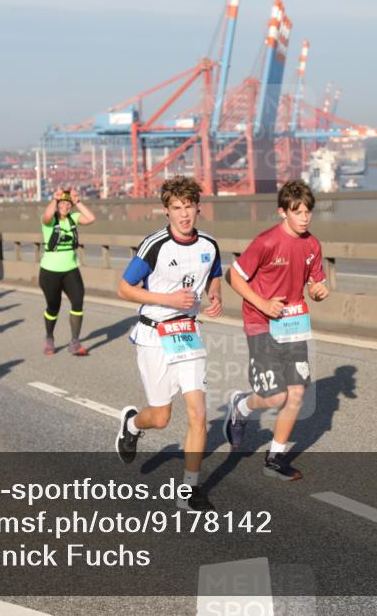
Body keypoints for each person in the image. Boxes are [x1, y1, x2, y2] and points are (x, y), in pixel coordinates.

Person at [115, 178, 223, 511]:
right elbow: (124, 288)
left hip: (187, 332)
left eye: (189, 207)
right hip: (154, 334)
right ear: (166, 211)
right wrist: (168, 299)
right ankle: (132, 425)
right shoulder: (155, 245)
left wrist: (215, 295)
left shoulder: (209, 244)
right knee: (160, 418)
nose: (184, 214)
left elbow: (215, 273)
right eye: (176, 208)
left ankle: (189, 490)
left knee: (198, 413)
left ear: (198, 208)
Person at [223, 179, 329, 481]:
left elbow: (314, 285)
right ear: (283, 212)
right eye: (298, 212)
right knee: (274, 396)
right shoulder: (266, 242)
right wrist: (263, 303)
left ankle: (275, 456)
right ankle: (241, 407)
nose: (305, 217)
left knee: (296, 392)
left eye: (308, 211)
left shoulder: (312, 244)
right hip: (261, 321)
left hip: (294, 322)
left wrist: (319, 291)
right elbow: (234, 276)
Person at [39, 188, 96, 355]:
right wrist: (54, 200)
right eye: (62, 203)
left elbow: (91, 218)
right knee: (53, 306)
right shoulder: (50, 221)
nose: (65, 206)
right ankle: (49, 337)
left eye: (67, 203)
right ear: (57, 205)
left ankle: (75, 342)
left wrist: (77, 201)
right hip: (50, 272)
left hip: (71, 269)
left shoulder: (73, 218)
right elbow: (47, 216)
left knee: (78, 302)